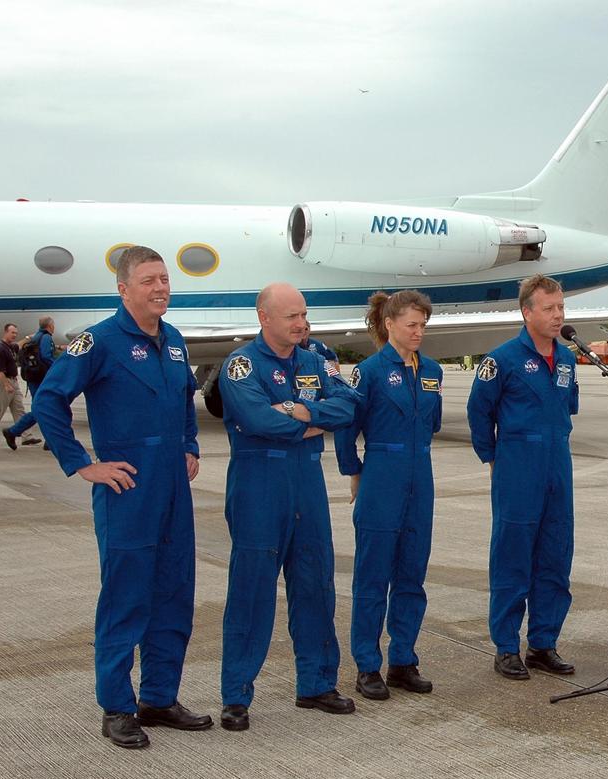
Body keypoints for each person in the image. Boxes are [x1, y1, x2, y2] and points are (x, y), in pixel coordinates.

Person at [34, 246, 210, 750]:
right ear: (123, 289)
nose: (161, 288)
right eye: (150, 280)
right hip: (128, 487)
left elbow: (183, 400)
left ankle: (159, 697)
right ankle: (116, 706)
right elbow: (49, 399)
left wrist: (191, 446)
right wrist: (82, 463)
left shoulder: (174, 340)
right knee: (126, 598)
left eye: (165, 280)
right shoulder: (99, 342)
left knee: (174, 593)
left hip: (173, 486)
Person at [218, 282, 361, 730]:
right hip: (260, 483)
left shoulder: (315, 360)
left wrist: (303, 413)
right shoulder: (241, 365)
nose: (301, 323)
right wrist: (315, 417)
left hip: (307, 483)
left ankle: (317, 683)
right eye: (291, 317)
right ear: (264, 318)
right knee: (252, 589)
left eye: (303, 314)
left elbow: (350, 405)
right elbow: (257, 419)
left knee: (316, 583)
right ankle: (236, 695)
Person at [466, 274, 579, 680]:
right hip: (517, 467)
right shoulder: (503, 360)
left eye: (560, 308)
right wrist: (492, 456)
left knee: (555, 554)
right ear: (526, 311)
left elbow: (568, 408)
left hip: (557, 466)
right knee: (513, 557)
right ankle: (507, 646)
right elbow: (479, 411)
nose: (557, 315)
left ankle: (543, 643)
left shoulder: (566, 358)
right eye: (548, 308)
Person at [334, 290, 442, 701]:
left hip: (421, 475)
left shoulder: (432, 370)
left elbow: (430, 421)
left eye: (423, 326)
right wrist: (354, 471)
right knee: (373, 574)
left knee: (412, 574)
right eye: (411, 325)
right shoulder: (369, 372)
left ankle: (403, 659)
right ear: (389, 324)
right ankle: (366, 664)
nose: (418, 332)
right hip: (382, 473)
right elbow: (348, 426)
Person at [3, 316, 56, 450]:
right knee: (45, 408)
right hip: (42, 379)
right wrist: (57, 368)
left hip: (33, 378)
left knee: (43, 408)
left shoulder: (35, 337)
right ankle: (12, 432)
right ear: (49, 326)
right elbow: (45, 356)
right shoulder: (46, 338)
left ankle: (49, 441)